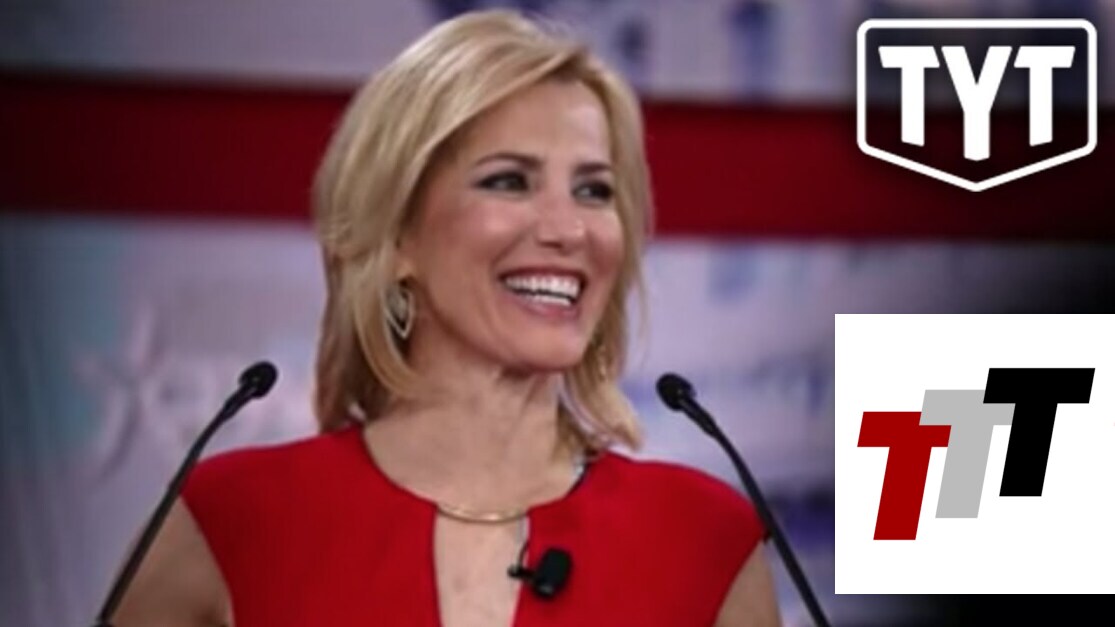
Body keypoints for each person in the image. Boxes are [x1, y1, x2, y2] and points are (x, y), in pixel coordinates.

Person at [111, 9, 781, 627]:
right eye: (508, 181)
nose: (568, 229)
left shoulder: (705, 538)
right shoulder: (237, 518)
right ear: (398, 233)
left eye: (593, 190)